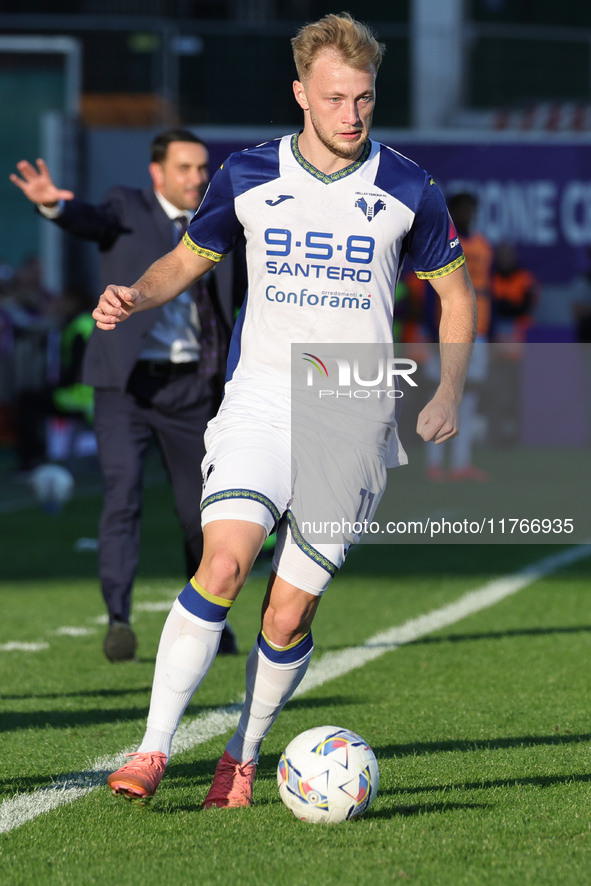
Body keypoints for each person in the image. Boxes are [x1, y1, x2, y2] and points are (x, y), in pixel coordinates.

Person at [95, 13, 476, 807]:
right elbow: (185, 260)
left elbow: (454, 295)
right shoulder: (246, 174)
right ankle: (154, 748)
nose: (350, 115)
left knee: (284, 615)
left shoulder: (409, 186)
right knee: (224, 563)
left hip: (353, 413)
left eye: (364, 100)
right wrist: (135, 296)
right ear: (300, 93)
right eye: (335, 98)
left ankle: (242, 750)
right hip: (262, 399)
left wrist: (446, 391)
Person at [10, 129, 242, 661]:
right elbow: (89, 219)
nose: (197, 178)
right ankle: (118, 618)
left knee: (200, 512)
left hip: (193, 386)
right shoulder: (127, 205)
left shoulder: (223, 220)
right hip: (125, 385)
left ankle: (209, 619)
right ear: (157, 173)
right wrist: (54, 209)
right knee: (123, 495)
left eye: (202, 167)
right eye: (184, 168)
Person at [425, 191, 492, 481]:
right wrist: (431, 331)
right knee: (439, 393)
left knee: (470, 395)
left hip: (479, 331)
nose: (468, 215)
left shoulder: (482, 245)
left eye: (471, 209)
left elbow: (489, 291)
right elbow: (430, 291)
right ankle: (435, 463)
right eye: (463, 209)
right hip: (448, 329)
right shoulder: (441, 239)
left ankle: (461, 463)